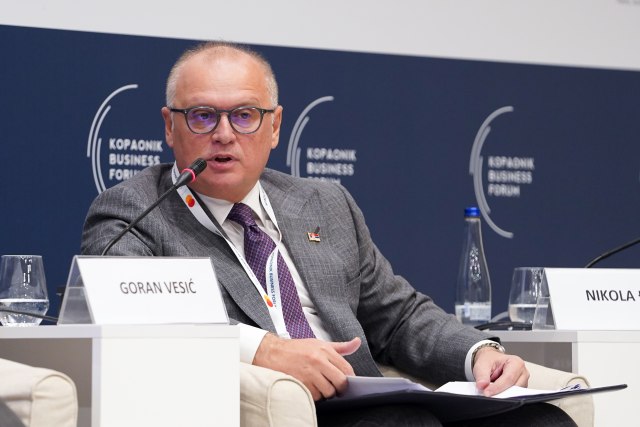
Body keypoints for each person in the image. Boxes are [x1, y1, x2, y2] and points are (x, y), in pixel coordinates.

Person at [81, 41, 575, 426]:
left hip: (365, 399)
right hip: (289, 406)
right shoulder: (135, 211)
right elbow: (136, 322)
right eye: (203, 115)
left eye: (245, 115)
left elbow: (398, 316)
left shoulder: (324, 202)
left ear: (275, 127)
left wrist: (479, 353)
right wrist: (264, 349)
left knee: (543, 420)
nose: (224, 134)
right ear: (170, 127)